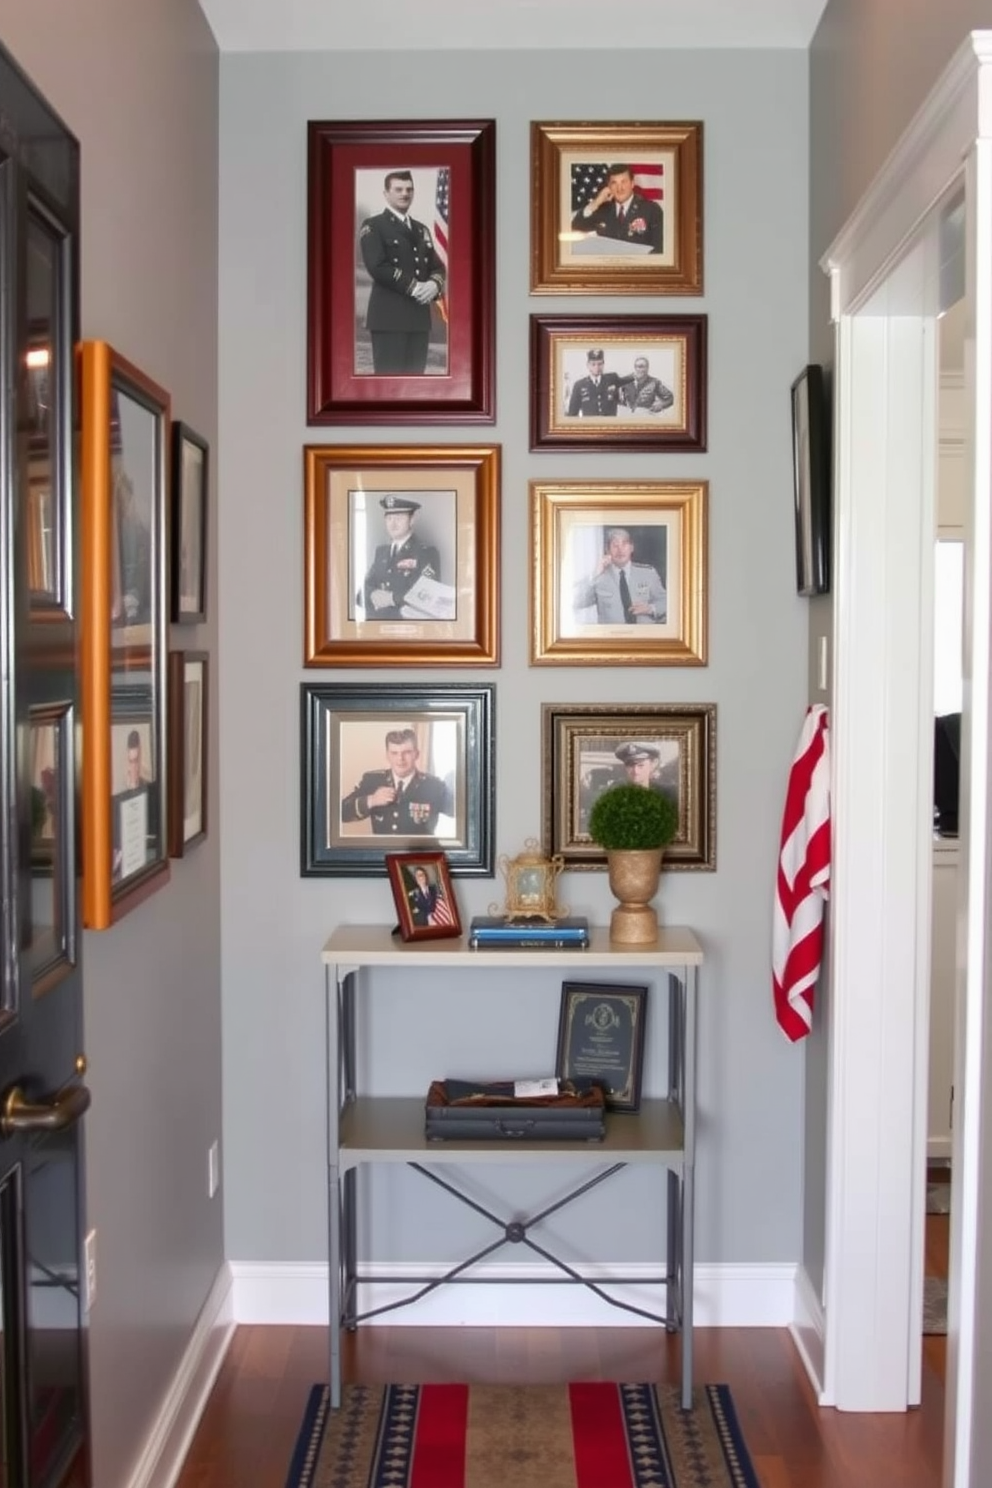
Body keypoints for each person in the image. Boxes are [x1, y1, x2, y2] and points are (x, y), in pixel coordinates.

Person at [359, 169, 446, 376]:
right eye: (398, 189)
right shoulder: (374, 226)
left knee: (415, 385)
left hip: (418, 320)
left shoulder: (421, 230)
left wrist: (435, 283)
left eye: (409, 189)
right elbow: (377, 266)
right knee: (389, 386)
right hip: (389, 319)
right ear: (386, 194)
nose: (404, 194)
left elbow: (437, 266)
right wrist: (414, 286)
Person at [341, 727, 453, 835]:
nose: (400, 759)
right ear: (387, 755)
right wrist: (371, 800)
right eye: (394, 753)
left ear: (416, 754)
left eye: (407, 752)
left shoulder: (434, 785)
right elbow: (341, 813)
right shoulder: (372, 780)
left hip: (418, 853)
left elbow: (460, 815)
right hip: (383, 853)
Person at [360, 494, 441, 619]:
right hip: (376, 628)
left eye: (399, 517)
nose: (393, 524)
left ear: (412, 519)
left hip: (408, 630)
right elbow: (361, 592)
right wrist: (372, 595)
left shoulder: (425, 552)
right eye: (389, 518)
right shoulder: (380, 552)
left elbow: (428, 595)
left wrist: (392, 598)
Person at [573, 527, 667, 624]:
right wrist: (594, 574)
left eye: (624, 544)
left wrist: (651, 608)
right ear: (608, 550)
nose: (620, 550)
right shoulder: (600, 578)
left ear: (631, 548)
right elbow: (575, 602)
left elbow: (666, 602)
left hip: (645, 636)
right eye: (615, 545)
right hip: (612, 637)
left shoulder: (648, 573)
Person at [570, 164, 664, 254]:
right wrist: (595, 203)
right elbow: (575, 227)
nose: (620, 188)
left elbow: (660, 249)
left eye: (624, 182)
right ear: (609, 187)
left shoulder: (651, 210)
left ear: (632, 184)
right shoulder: (602, 210)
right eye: (614, 183)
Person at [614, 741, 679, 805]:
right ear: (625, 767)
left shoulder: (668, 795)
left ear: (653, 764)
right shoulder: (617, 796)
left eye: (641, 765)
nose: (635, 771)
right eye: (631, 766)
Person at [567, 349, 624, 418]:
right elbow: (572, 414)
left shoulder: (612, 379)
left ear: (603, 364)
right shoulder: (579, 385)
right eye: (593, 364)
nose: (596, 367)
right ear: (588, 365)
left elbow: (628, 382)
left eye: (599, 364)